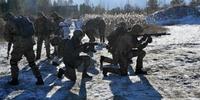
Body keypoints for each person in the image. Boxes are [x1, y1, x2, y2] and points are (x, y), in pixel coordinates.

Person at [3, 12, 44, 85]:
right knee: (32, 62)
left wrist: (13, 39)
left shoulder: (9, 23)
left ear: (6, 18)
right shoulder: (22, 19)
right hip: (29, 42)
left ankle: (14, 80)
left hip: (19, 44)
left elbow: (7, 38)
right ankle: (39, 79)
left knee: (13, 62)